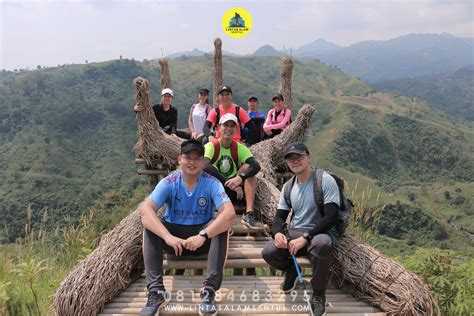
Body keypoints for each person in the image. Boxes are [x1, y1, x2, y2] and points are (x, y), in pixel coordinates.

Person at [139, 139, 236, 315]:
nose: (192, 162)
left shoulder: (212, 182)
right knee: (151, 227)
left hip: (201, 239)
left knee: (221, 225)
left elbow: (229, 214)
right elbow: (145, 210)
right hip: (174, 239)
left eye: (197, 158)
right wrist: (167, 236)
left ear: (203, 162)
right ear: (179, 159)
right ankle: (156, 291)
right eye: (187, 157)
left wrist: (203, 236)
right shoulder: (169, 182)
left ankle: (209, 290)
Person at [261, 142, 340, 316]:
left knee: (320, 244)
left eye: (299, 157)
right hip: (297, 231)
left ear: (308, 157)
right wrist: (278, 233)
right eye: (291, 158)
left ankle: (319, 294)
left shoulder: (324, 180)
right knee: (268, 251)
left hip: (321, 231)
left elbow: (331, 217)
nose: (295, 161)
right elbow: (279, 217)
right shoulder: (289, 187)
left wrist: (305, 236)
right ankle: (291, 270)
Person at [203, 113, 263, 229]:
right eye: (226, 125)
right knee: (210, 168)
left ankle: (249, 214)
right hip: (217, 189)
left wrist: (240, 178)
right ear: (219, 127)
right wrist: (229, 184)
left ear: (236, 129)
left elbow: (256, 165)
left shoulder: (239, 147)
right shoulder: (212, 146)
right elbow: (204, 165)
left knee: (248, 169)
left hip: (234, 190)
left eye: (232, 126)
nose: (229, 129)